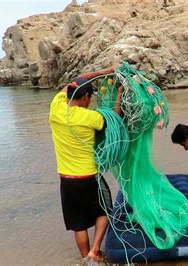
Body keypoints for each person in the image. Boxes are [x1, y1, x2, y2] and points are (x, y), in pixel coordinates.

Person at [49, 66, 123, 262]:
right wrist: (120, 94)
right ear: (85, 98)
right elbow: (115, 119)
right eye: (89, 98)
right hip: (89, 177)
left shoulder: (56, 109)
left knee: (78, 224)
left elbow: (76, 79)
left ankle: (86, 258)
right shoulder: (91, 117)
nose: (90, 102)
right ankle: (95, 250)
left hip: (66, 179)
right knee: (106, 211)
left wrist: (103, 72)